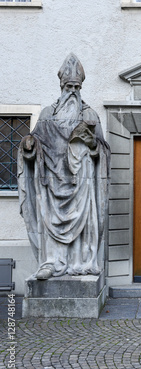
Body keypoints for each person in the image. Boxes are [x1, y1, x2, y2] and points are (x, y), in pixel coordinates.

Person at [18, 54, 110, 280]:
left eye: (76, 87)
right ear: (61, 86)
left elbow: (103, 149)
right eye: (68, 86)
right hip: (51, 181)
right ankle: (52, 263)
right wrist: (29, 146)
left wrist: (91, 143)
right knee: (49, 222)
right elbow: (34, 141)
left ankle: (81, 263)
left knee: (83, 225)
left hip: (82, 182)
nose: (72, 90)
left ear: (81, 87)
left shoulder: (89, 114)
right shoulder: (48, 115)